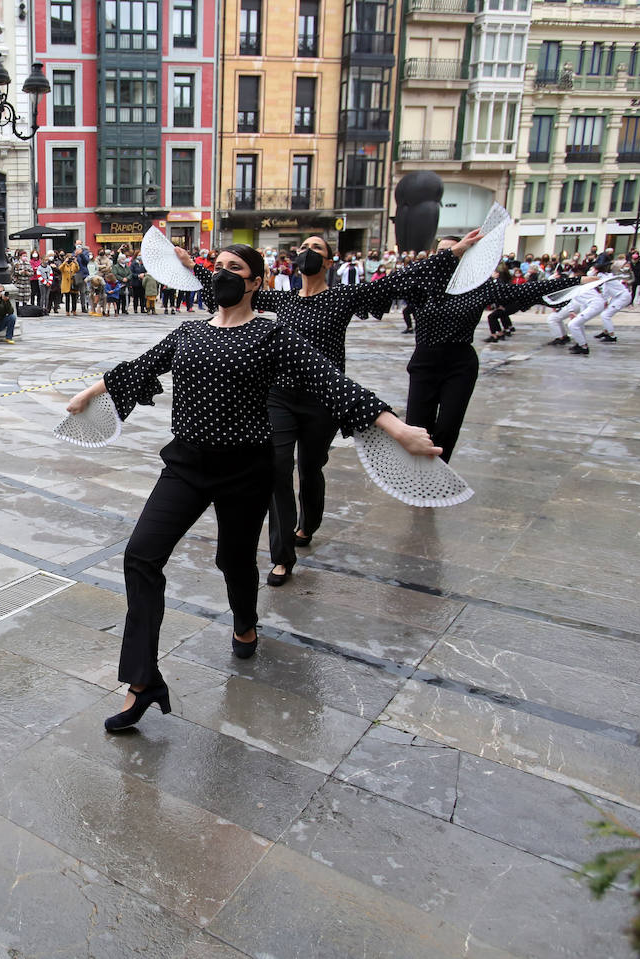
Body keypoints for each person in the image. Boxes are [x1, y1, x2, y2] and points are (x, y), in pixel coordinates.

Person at [64, 245, 440, 732]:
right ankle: (143, 681)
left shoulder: (272, 332)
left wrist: (398, 428)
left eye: (235, 269)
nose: (223, 275)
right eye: (217, 268)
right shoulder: (189, 331)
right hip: (186, 466)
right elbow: (138, 367)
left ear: (257, 282)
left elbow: (333, 383)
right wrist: (88, 394)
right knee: (140, 555)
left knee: (234, 559)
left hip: (246, 468)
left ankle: (244, 621)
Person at [177, 229, 480, 586]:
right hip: (279, 396)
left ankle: (308, 523)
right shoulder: (283, 300)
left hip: (323, 400)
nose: (307, 252)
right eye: (303, 247)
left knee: (310, 467)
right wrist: (192, 266)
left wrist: (452, 254)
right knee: (277, 469)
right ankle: (282, 555)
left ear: (329, 260)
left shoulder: (343, 297)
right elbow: (234, 285)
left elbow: (401, 280)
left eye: (316, 248)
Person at [406, 238, 580, 461]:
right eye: (442, 252)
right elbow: (387, 284)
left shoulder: (478, 286)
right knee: (416, 428)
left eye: (456, 251)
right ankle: (415, 475)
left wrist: (577, 281)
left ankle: (437, 475)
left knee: (448, 427)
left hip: (460, 363)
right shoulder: (419, 284)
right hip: (425, 361)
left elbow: (526, 291)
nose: (449, 255)